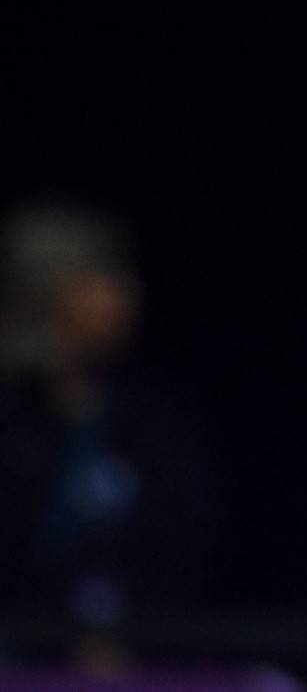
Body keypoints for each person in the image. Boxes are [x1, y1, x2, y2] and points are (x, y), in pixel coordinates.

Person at [0, 198, 222, 675]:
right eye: (98, 279)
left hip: (140, 663)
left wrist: (125, 635)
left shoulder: (153, 426)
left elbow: (181, 552)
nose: (124, 296)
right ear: (46, 292)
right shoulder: (15, 418)